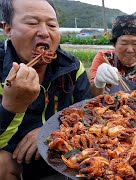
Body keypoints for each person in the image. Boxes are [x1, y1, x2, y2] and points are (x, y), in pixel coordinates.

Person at [0, 0, 91, 179]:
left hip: (62, 155)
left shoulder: (72, 67)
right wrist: (13, 106)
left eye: (52, 25)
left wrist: (47, 132)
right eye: (32, 23)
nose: (44, 32)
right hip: (17, 161)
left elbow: (88, 113)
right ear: (8, 29)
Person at [90, 15, 136, 96]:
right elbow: (93, 96)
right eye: (124, 43)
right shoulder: (104, 59)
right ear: (114, 44)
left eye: (135, 43)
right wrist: (98, 83)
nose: (130, 50)